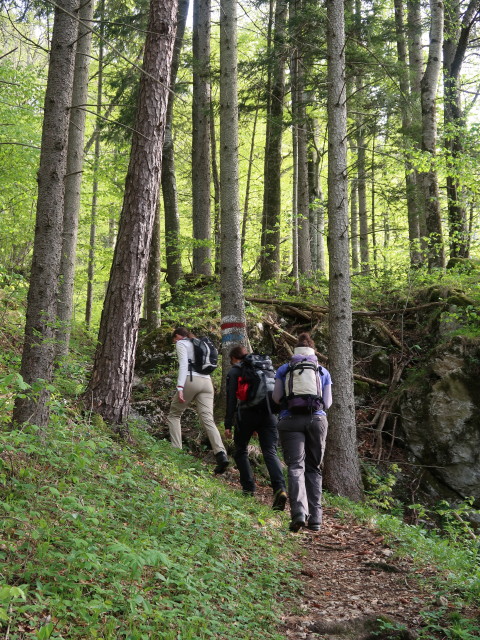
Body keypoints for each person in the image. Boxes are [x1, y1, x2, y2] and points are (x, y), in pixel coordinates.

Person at [272, 333, 332, 532]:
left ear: (295, 350)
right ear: (312, 350)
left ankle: (298, 513)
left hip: (290, 420)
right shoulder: (322, 370)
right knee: (313, 468)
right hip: (317, 420)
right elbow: (328, 402)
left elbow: (276, 397)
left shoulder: (284, 369)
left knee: (296, 467)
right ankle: (316, 519)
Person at [224, 345, 288, 510]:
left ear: (234, 359)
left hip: (247, 415)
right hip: (269, 414)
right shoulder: (264, 367)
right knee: (270, 452)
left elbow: (231, 400)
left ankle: (248, 488)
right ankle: (280, 488)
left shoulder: (235, 371)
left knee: (240, 450)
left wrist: (228, 424)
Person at [166, 326, 229, 474]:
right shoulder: (199, 342)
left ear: (177, 336)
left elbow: (183, 365)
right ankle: (221, 454)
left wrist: (180, 387)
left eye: (174, 339)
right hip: (207, 383)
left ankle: (176, 453)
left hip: (190, 380)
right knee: (208, 419)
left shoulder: (181, 343)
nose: (174, 342)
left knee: (174, 415)